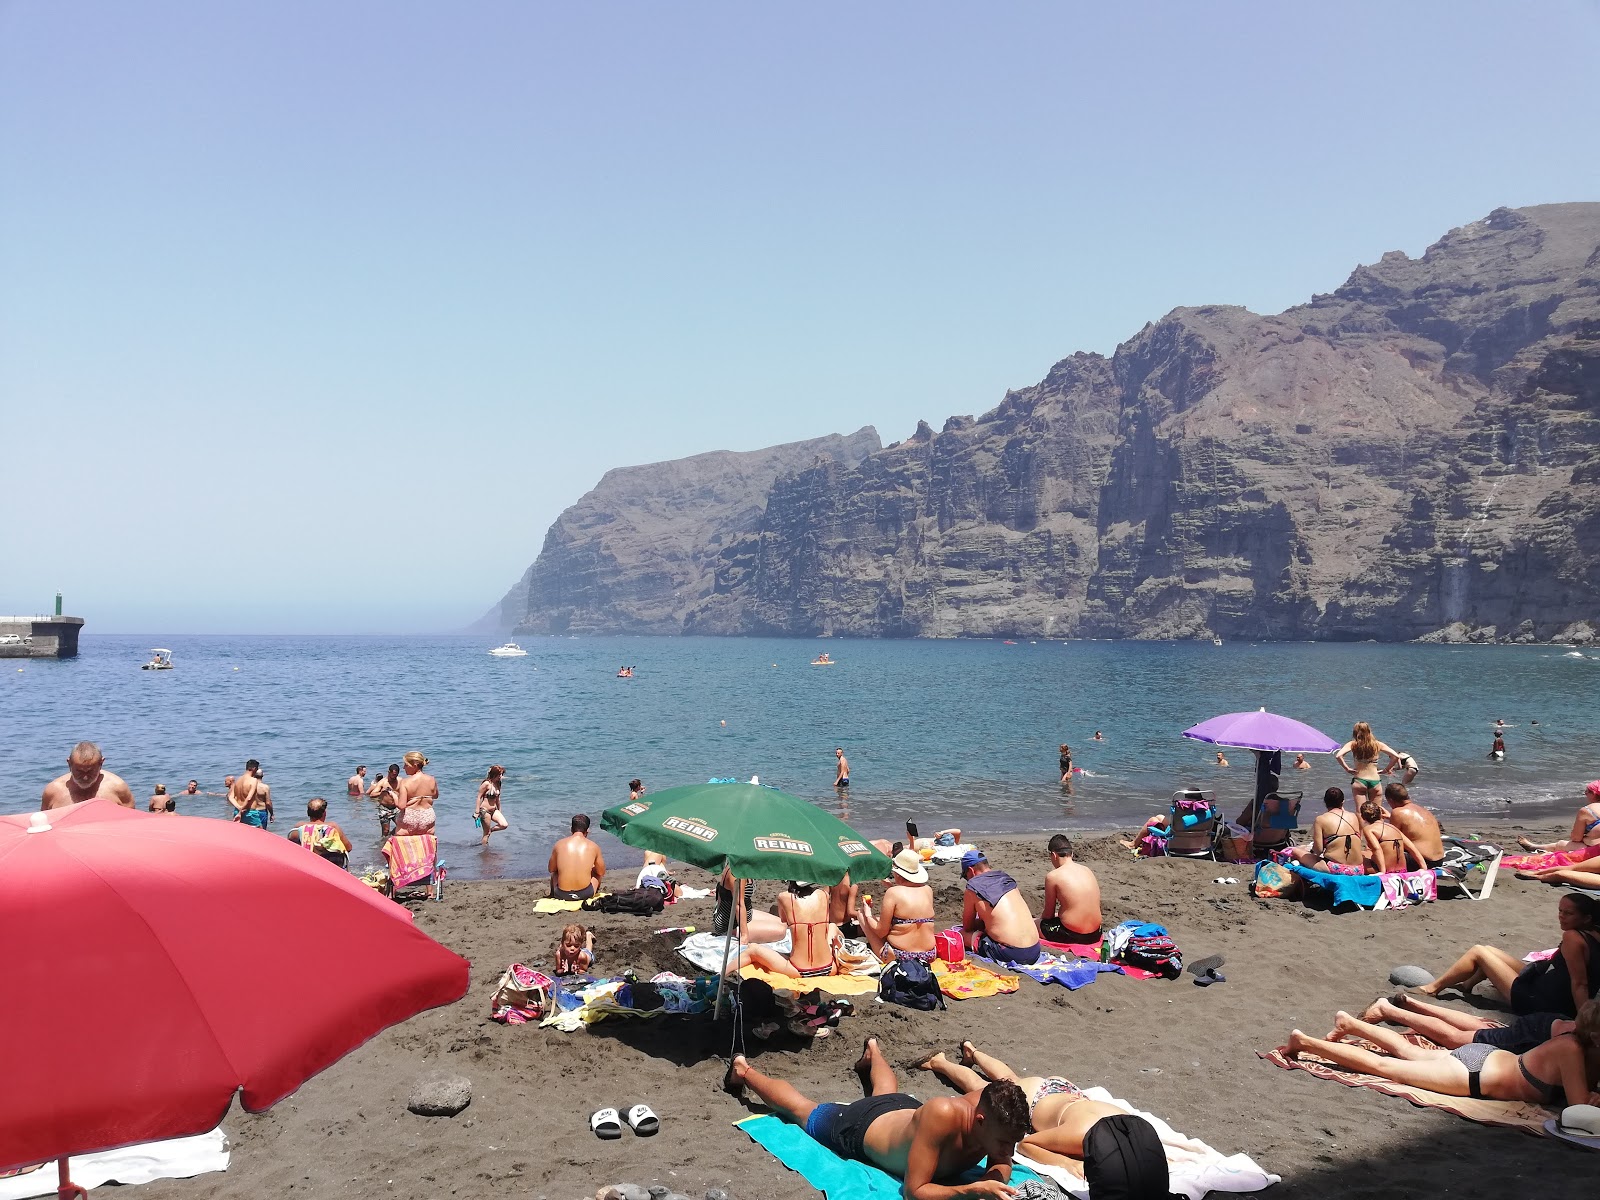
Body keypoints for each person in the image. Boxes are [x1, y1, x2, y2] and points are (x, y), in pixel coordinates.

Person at [723, 1038, 1029, 1200]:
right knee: (804, 1110)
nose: (1008, 1152)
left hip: (902, 1112)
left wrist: (994, 1184)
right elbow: (915, 1192)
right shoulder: (944, 1114)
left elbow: (1002, 1164)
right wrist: (972, 1190)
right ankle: (744, 1071)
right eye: (1004, 1144)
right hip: (859, 1127)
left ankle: (873, 1048)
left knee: (886, 1092)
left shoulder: (997, 1107)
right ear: (978, 1121)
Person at [914, 1042, 1171, 1197]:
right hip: (1039, 1098)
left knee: (1009, 1079)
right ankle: (941, 1063)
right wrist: (1063, 1161)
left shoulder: (1120, 1127)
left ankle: (974, 1051)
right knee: (985, 1088)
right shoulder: (1078, 1136)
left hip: (1065, 1093)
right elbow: (1028, 1144)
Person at [1283, 1002, 1600, 1108]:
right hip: (1474, 1075)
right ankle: (1306, 1043)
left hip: (1486, 1059)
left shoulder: (1584, 1048)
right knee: (1386, 1068)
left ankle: (1350, 1023)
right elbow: (1579, 1109)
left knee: (1406, 1051)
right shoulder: (1571, 1049)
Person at [1416, 894, 1600, 1017]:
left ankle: (1432, 989)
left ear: (1587, 918)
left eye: (1568, 913)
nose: (1561, 917)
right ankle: (1466, 984)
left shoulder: (1573, 938)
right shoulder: (1594, 935)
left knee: (1479, 951)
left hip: (1537, 1001)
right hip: (1546, 985)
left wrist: (1583, 1019)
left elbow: (1580, 983)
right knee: (1490, 950)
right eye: (1560, 911)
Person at [1355, 993, 1574, 1054]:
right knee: (1456, 1040)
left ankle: (1411, 1003)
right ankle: (1387, 1009)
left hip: (1551, 1022)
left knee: (1484, 1030)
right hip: (1539, 1034)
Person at [737, 880, 839, 979]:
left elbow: (783, 919)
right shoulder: (824, 895)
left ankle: (723, 975)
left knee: (752, 949)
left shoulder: (784, 896)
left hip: (798, 970)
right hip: (829, 968)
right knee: (833, 927)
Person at [961, 851, 1041, 965]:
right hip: (1035, 949)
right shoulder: (1007, 879)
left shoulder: (973, 887)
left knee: (962, 935)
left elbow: (968, 927)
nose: (967, 879)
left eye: (965, 876)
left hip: (1013, 954)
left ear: (971, 870)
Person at [859, 849, 937, 965]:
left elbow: (881, 932)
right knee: (901, 923)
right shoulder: (928, 890)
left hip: (901, 956)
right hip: (928, 955)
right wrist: (891, 886)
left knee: (862, 915)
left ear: (897, 874)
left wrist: (868, 913)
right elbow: (911, 904)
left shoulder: (893, 893)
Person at [1286, 787, 1367, 874]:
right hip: (1358, 869)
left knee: (1295, 851)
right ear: (1343, 802)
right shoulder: (1353, 816)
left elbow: (1318, 850)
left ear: (1325, 802)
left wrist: (1309, 851)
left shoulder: (1321, 819)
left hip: (1336, 868)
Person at [1039, 835, 1102, 944]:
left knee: (1033, 924)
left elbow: (1048, 915)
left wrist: (1038, 921)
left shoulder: (1053, 876)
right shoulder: (1087, 870)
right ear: (1071, 854)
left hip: (1073, 934)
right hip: (1096, 933)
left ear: (1053, 855)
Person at [40, 742, 137, 810]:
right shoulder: (53, 791)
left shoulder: (118, 788)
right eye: (79, 771)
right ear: (69, 764)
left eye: (91, 771)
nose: (85, 777)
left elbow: (129, 823)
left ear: (101, 763)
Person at [1516, 781, 1600, 857]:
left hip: (1595, 851)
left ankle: (1533, 847)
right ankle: (1534, 846)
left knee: (1562, 844)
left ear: (1593, 793)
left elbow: (1576, 838)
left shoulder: (1587, 810)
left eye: (1587, 791)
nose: (1585, 793)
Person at [1335, 721, 1400, 811]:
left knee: (1360, 811)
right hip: (1375, 781)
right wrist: (1386, 769)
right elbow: (1396, 756)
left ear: (1355, 732)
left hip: (1360, 780)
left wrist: (1347, 769)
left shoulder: (1353, 744)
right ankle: (1377, 825)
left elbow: (1338, 756)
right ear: (1369, 731)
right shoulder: (1377, 744)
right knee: (1377, 812)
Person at [1384, 782, 1444, 867]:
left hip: (1422, 861)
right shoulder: (1424, 810)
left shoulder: (1397, 812)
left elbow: (1392, 839)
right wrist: (1391, 818)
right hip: (1439, 860)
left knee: (1382, 852)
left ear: (1390, 800)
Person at [548, 813, 605, 900]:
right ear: (588, 831)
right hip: (585, 894)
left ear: (571, 829)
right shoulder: (594, 846)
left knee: (555, 873)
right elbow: (601, 872)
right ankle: (594, 892)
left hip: (561, 894)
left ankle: (553, 894)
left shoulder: (559, 844)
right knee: (597, 873)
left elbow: (551, 869)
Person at [1360, 799, 1425, 874]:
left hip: (1386, 870)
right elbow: (1411, 847)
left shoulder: (1369, 829)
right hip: (1402, 870)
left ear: (1363, 817)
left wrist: (1382, 871)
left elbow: (1377, 849)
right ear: (1381, 813)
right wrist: (1423, 866)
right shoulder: (1393, 827)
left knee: (1361, 856)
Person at [287, 797, 351, 868]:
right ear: (324, 813)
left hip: (308, 866)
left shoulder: (299, 827)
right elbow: (348, 848)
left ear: (308, 813)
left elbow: (290, 847)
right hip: (332, 868)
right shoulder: (332, 827)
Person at [394, 751, 438, 836]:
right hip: (427, 816)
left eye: (406, 765)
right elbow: (435, 796)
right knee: (427, 844)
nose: (403, 768)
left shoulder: (405, 782)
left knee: (402, 843)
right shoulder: (432, 779)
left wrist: (394, 796)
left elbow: (401, 806)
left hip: (410, 817)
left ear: (414, 765)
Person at [229, 760, 272, 828]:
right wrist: (241, 811)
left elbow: (231, 797)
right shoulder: (253, 780)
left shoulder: (238, 780)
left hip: (237, 811)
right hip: (250, 813)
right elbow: (249, 798)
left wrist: (239, 808)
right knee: (260, 833)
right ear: (254, 768)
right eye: (257, 769)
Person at [475, 764, 508, 846]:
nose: (501, 776)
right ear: (494, 774)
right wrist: (476, 812)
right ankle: (484, 851)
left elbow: (498, 798)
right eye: (500, 774)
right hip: (484, 811)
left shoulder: (498, 783)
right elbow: (479, 797)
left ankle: (491, 830)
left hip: (494, 810)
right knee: (486, 834)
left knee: (504, 825)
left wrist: (500, 810)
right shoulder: (486, 784)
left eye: (502, 774)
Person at [369, 763, 402, 835]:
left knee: (401, 826)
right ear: (389, 772)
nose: (394, 777)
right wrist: (382, 792)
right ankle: (383, 843)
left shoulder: (400, 781)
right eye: (393, 774)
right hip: (384, 809)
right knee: (385, 831)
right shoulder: (383, 782)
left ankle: (392, 835)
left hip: (396, 808)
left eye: (396, 775)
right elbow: (372, 794)